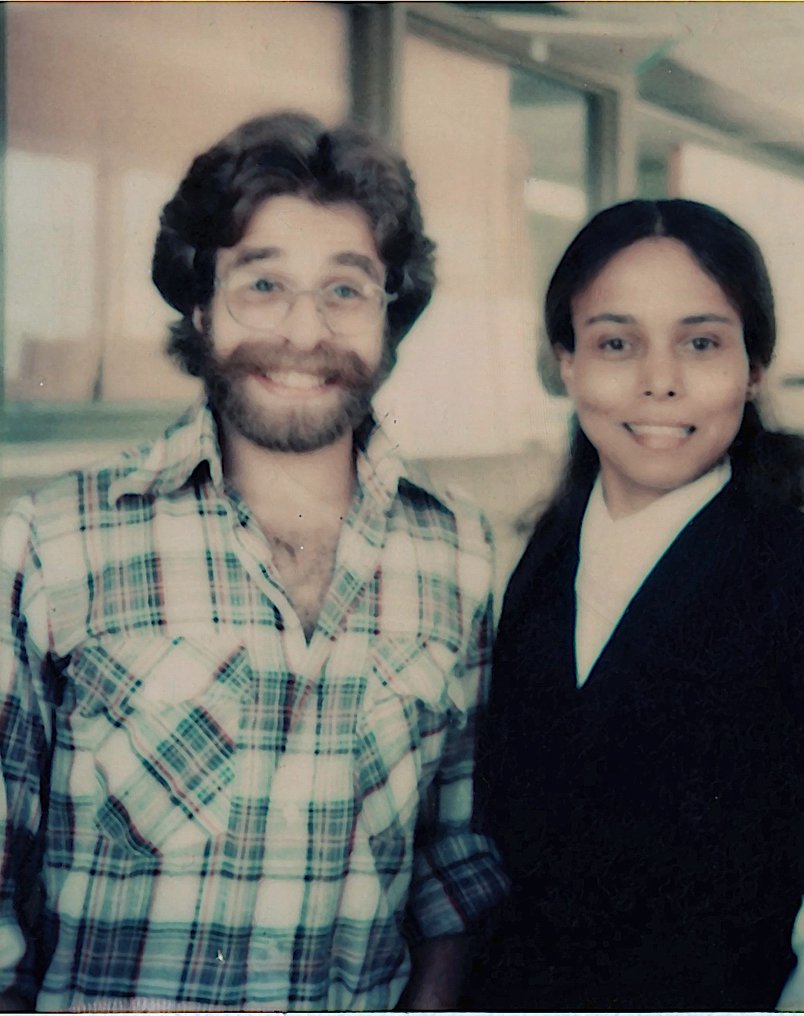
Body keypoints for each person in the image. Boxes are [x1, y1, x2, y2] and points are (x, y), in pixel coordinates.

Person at [0, 112, 507, 1011]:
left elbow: (451, 864)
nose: (303, 331)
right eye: (262, 283)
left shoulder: (459, 555)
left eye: (345, 290)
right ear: (200, 302)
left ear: (392, 311)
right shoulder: (58, 544)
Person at [469, 198, 804, 1011]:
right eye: (615, 342)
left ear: (753, 368)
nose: (660, 379)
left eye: (701, 342)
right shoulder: (542, 561)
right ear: (565, 362)